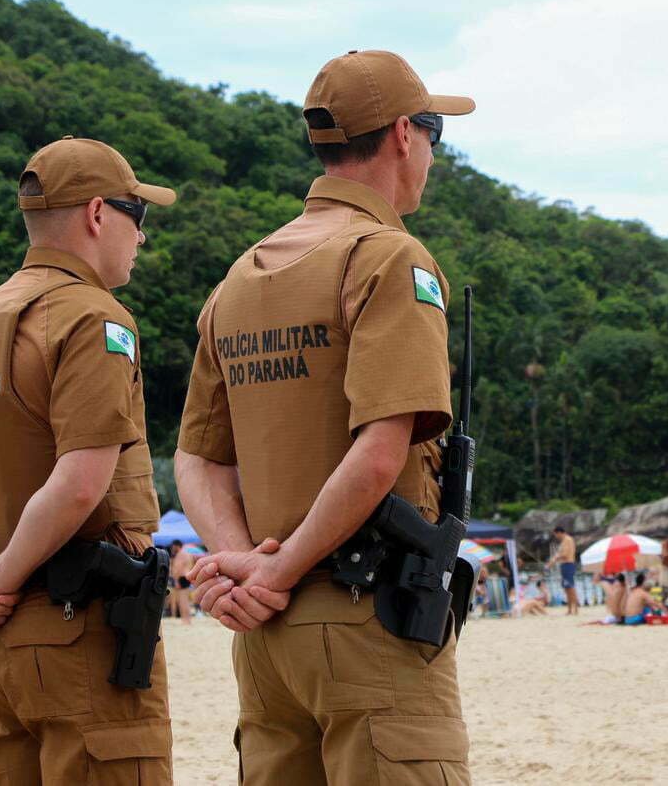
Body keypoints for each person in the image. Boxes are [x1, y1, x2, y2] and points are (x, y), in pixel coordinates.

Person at [173, 50, 475, 784]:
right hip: (365, 615)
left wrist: (245, 563)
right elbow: (379, 451)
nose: (433, 152)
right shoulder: (387, 258)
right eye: (434, 131)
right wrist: (278, 565)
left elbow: (197, 459)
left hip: (266, 638)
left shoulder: (242, 276)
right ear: (404, 134)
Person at [0, 137, 177, 782]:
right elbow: (81, 482)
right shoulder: (93, 317)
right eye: (135, 216)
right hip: (83, 625)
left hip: (2, 639)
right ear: (97, 215)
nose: (140, 237)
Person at [550, 525, 580, 615]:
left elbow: (566, 554)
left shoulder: (568, 540)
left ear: (559, 533)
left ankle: (575, 609)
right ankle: (570, 609)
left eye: (555, 534)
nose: (555, 536)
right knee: (567, 588)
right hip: (565, 565)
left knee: (570, 587)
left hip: (568, 564)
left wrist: (554, 559)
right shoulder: (565, 540)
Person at [167, 540, 195, 625]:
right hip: (187, 577)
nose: (172, 548)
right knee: (186, 600)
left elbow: (177, 569)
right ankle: (188, 619)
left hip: (181, 578)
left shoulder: (180, 555)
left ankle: (185, 620)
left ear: (177, 546)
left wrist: (176, 580)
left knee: (182, 601)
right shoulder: (188, 554)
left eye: (173, 546)